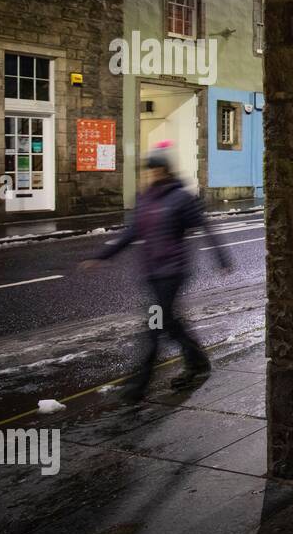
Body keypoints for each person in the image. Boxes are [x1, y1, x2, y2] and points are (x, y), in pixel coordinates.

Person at [80, 146, 230, 400]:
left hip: (173, 270)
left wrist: (221, 258)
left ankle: (138, 386)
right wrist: (101, 257)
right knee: (169, 322)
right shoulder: (145, 199)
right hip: (151, 271)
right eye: (149, 169)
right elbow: (131, 233)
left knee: (154, 324)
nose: (152, 173)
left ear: (166, 170)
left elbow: (205, 227)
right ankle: (198, 362)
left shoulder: (180, 198)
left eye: (156, 168)